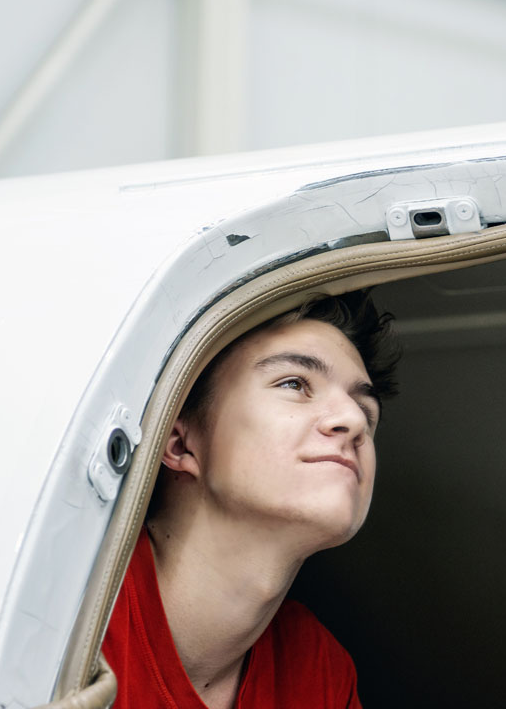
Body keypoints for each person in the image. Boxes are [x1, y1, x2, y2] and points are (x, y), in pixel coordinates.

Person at [101, 290, 399, 709]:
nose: (353, 421)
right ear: (178, 442)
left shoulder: (317, 668)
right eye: (294, 383)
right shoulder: (77, 617)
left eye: (365, 410)